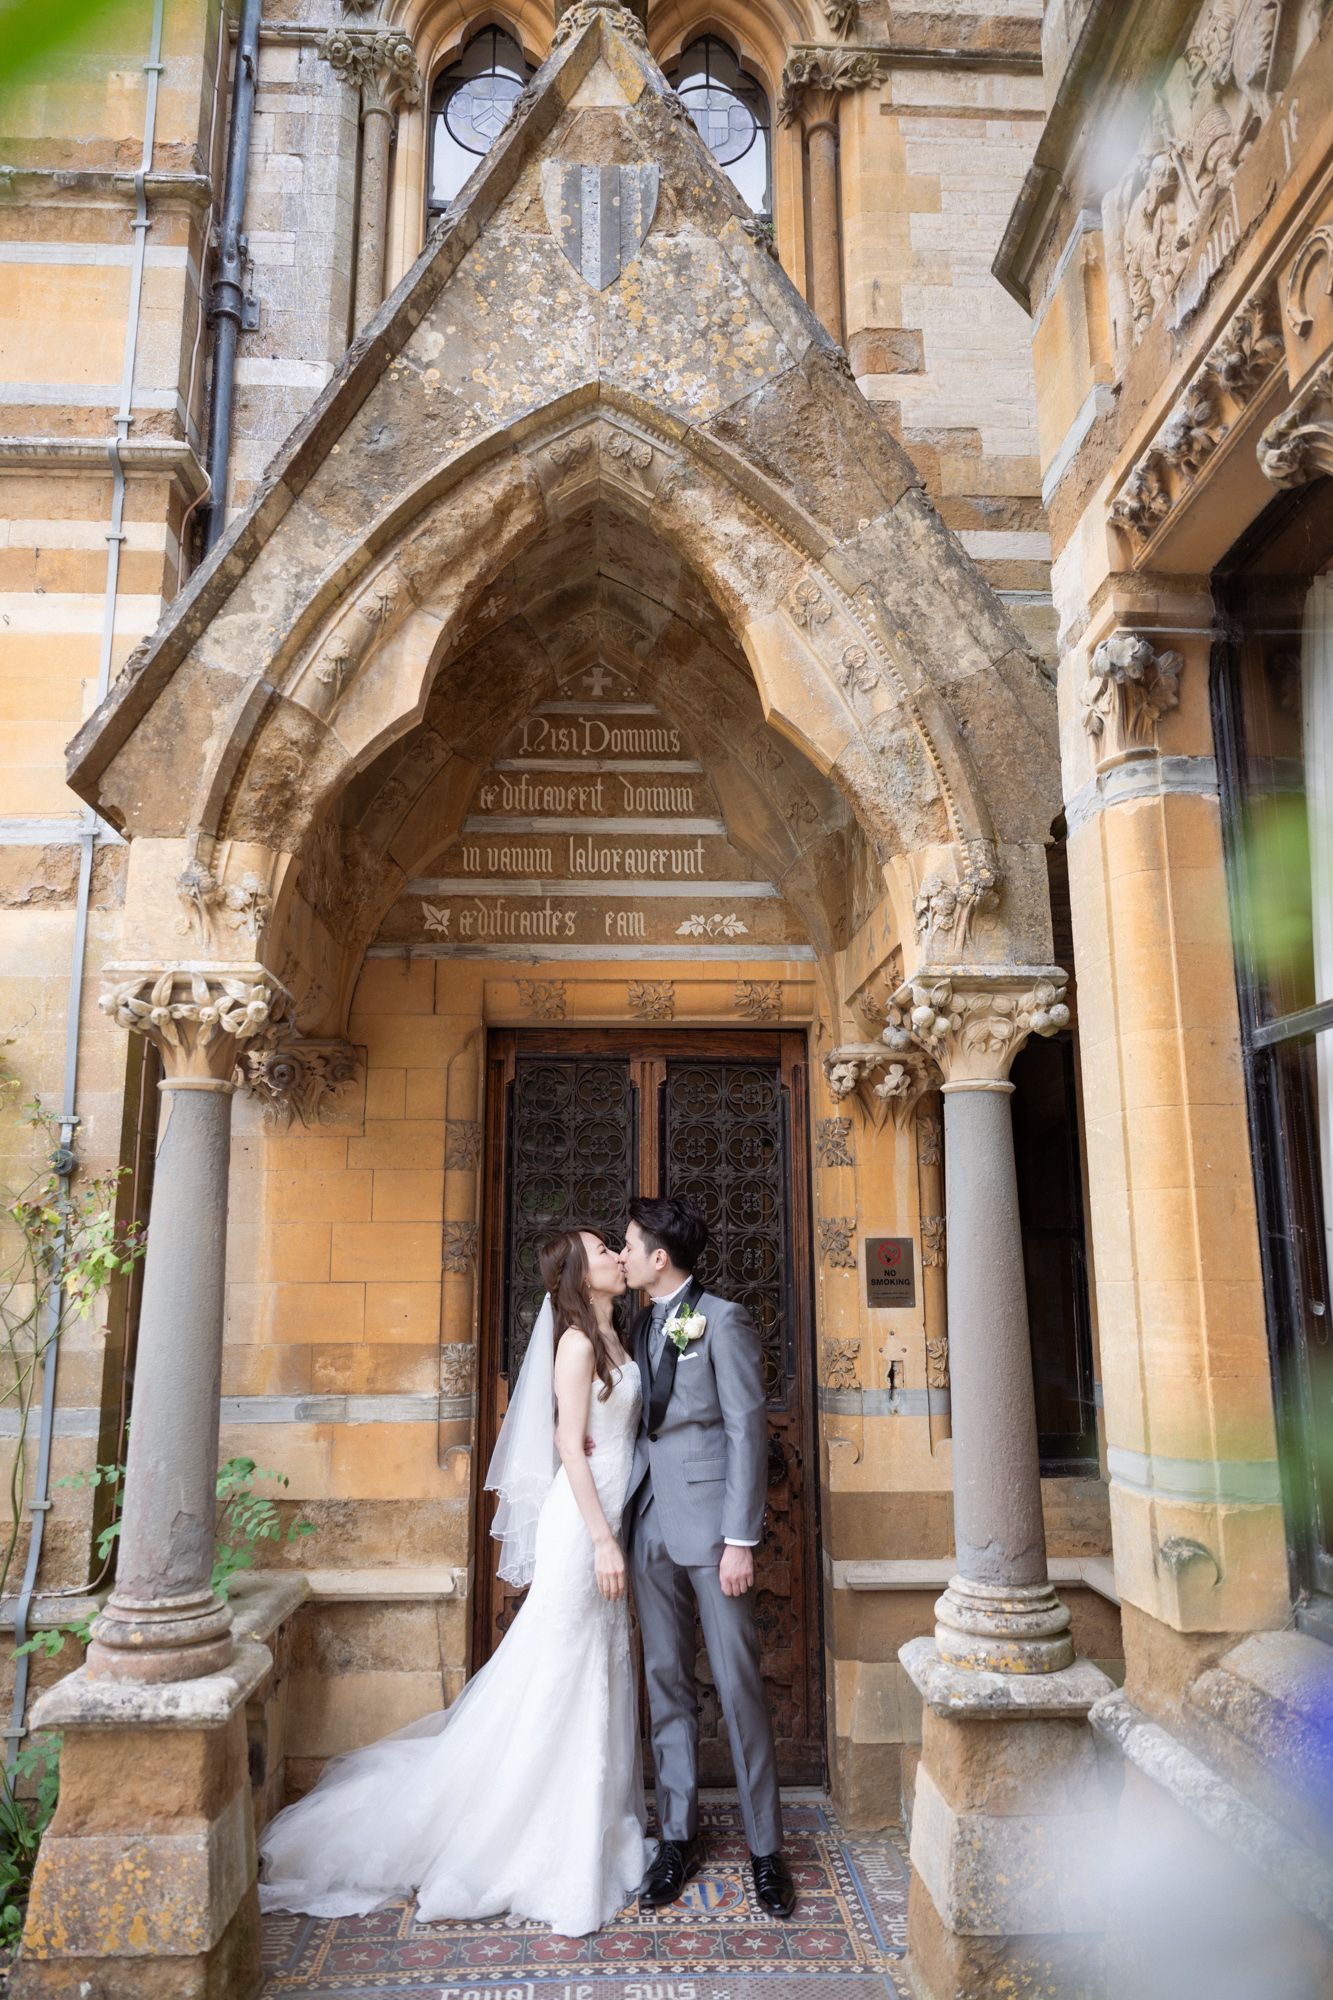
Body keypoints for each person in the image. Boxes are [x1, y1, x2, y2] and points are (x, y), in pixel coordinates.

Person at [258, 1228, 648, 1938]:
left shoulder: (614, 1334)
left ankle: (592, 1827)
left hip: (611, 1516)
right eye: (603, 1253)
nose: (618, 1259)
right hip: (583, 1531)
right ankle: (524, 1843)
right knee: (561, 1676)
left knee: (595, 1673)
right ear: (577, 1277)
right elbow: (567, 1441)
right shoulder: (575, 1344)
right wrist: (600, 1540)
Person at [620, 1195, 797, 1919]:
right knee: (665, 1682)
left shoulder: (721, 1319)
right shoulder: (637, 1324)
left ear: (660, 1257)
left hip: (713, 1529)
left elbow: (746, 1428)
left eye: (629, 1245)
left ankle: (764, 1850)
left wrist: (740, 1539)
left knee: (736, 1684)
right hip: (648, 1523)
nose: (623, 1254)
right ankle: (677, 1836)